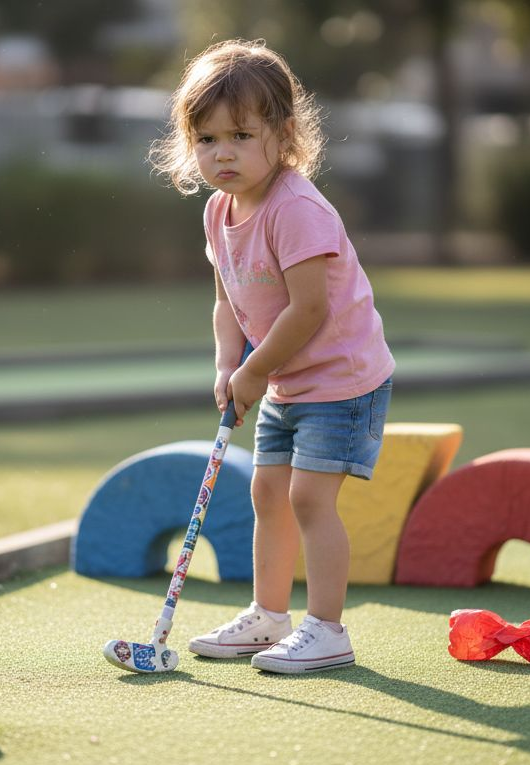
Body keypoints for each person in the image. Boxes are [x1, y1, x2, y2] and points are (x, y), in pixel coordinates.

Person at [149, 39, 395, 674]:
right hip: (285, 381)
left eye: (239, 134)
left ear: (282, 135)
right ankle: (268, 616)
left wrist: (256, 369)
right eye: (205, 139)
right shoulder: (217, 210)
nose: (221, 152)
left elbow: (309, 310)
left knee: (311, 500)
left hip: (341, 379)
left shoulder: (297, 209)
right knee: (267, 494)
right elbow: (228, 298)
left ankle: (328, 629)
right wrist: (228, 364)